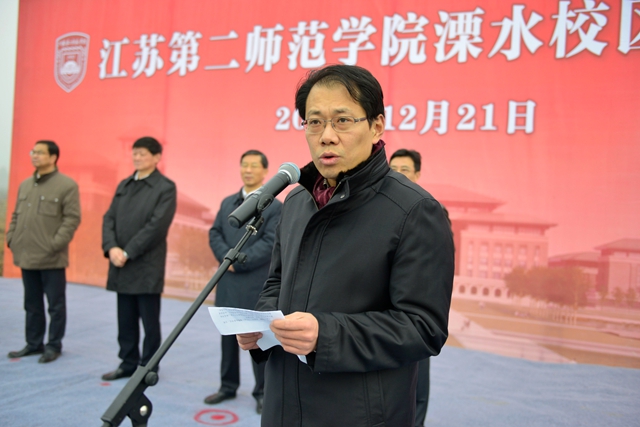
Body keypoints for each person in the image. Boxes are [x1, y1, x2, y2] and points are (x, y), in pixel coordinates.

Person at [237, 65, 454, 426]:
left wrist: (325, 335)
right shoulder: (296, 201)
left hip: (358, 412)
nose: (326, 136)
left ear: (377, 126)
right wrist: (261, 325)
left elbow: (423, 327)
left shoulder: (415, 210)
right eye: (314, 122)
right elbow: (277, 280)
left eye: (342, 121)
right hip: (283, 403)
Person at [203, 150, 282, 414]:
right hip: (227, 281)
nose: (248, 170)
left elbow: (271, 242)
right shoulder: (228, 202)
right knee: (227, 339)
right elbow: (215, 233)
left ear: (265, 171)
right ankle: (227, 386)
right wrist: (226, 258)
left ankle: (262, 392)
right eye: (244, 165)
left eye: (254, 165)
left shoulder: (275, 207)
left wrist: (238, 261)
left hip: (255, 283)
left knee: (257, 340)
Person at [100, 136, 177, 381]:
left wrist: (127, 252)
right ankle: (127, 362)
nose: (137, 157)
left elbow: (156, 227)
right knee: (125, 319)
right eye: (135, 153)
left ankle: (149, 366)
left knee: (149, 321)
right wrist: (112, 247)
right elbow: (109, 218)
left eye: (143, 153)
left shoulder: (165, 187)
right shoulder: (124, 185)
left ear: (157, 157)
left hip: (146, 266)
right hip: (121, 264)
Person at [6, 140, 81, 364]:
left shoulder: (66, 185)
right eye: (33, 152)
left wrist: (54, 245)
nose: (34, 155)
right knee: (32, 304)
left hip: (51, 258)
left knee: (55, 305)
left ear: (53, 157)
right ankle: (33, 344)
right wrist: (11, 238)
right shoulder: (25, 185)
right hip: (27, 255)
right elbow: (16, 215)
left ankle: (53, 345)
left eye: (40, 152)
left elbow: (72, 219)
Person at [389, 148, 430, 427]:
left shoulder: (428, 210)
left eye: (404, 170)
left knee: (416, 382)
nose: (398, 175)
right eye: (393, 169)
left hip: (414, 310)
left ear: (417, 174)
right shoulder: (378, 212)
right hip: (383, 312)